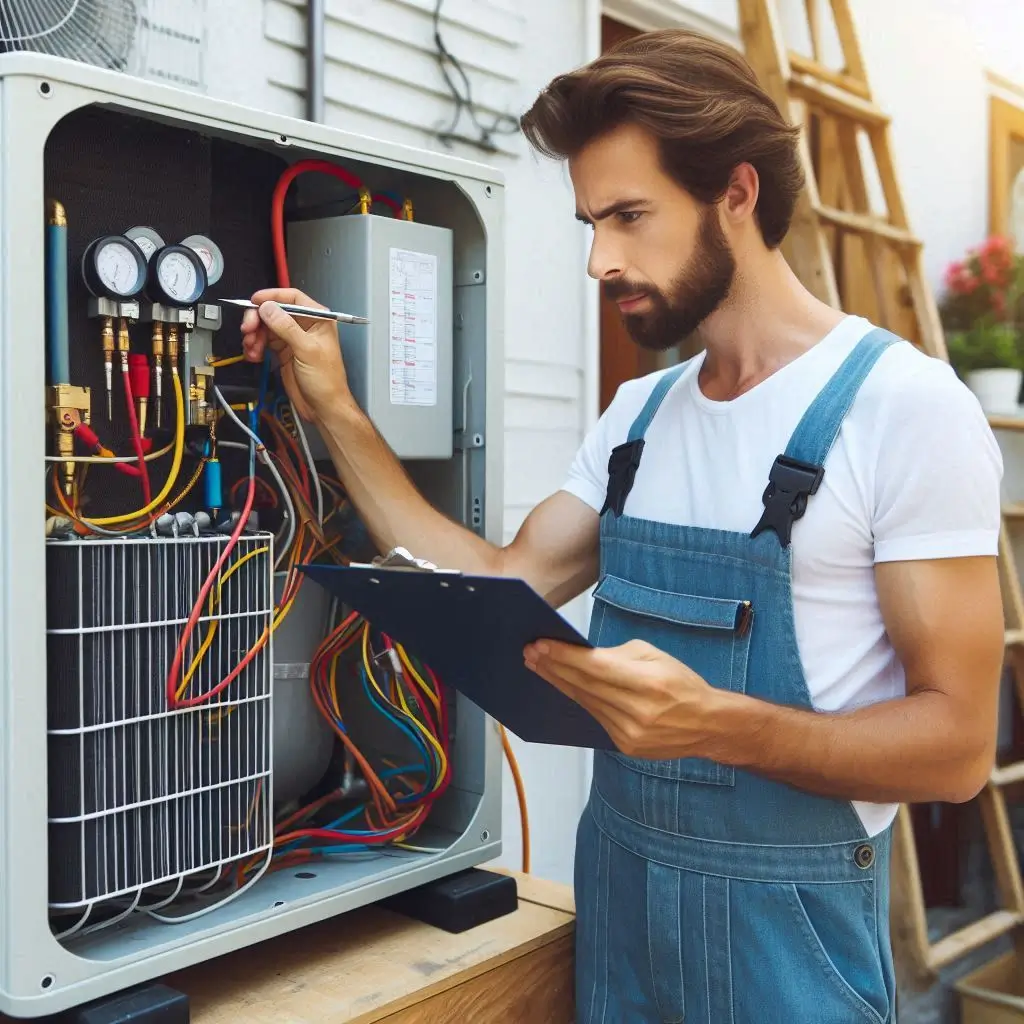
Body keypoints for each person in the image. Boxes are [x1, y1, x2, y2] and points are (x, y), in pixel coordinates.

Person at [241, 27, 1005, 1024]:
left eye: (630, 216)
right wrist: (332, 404)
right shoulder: (638, 421)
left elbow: (954, 744)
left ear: (736, 193)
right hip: (618, 904)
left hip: (790, 935)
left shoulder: (903, 408)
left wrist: (721, 725)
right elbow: (494, 579)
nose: (601, 259)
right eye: (589, 222)